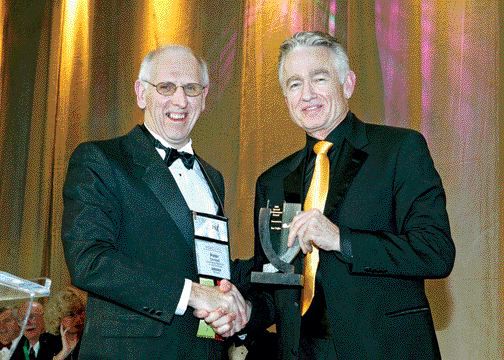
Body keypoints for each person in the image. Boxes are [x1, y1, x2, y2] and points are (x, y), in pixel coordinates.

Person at [242, 31, 455, 359]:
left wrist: (341, 239)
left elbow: (435, 251)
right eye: (294, 84)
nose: (307, 94)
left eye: (319, 78)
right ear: (285, 98)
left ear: (348, 83)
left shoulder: (399, 150)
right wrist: (240, 311)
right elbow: (275, 284)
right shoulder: (272, 181)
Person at [61, 45, 248, 359]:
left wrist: (233, 309)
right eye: (166, 87)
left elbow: (207, 264)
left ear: (204, 98)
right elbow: (88, 260)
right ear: (141, 93)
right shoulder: (101, 159)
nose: (180, 100)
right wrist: (193, 294)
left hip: (204, 350)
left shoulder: (213, 177)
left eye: (191, 88)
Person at [43, 287, 86, 360]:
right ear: (58, 318)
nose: (79, 319)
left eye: (80, 312)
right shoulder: (46, 341)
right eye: (71, 314)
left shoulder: (91, 340)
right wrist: (63, 353)